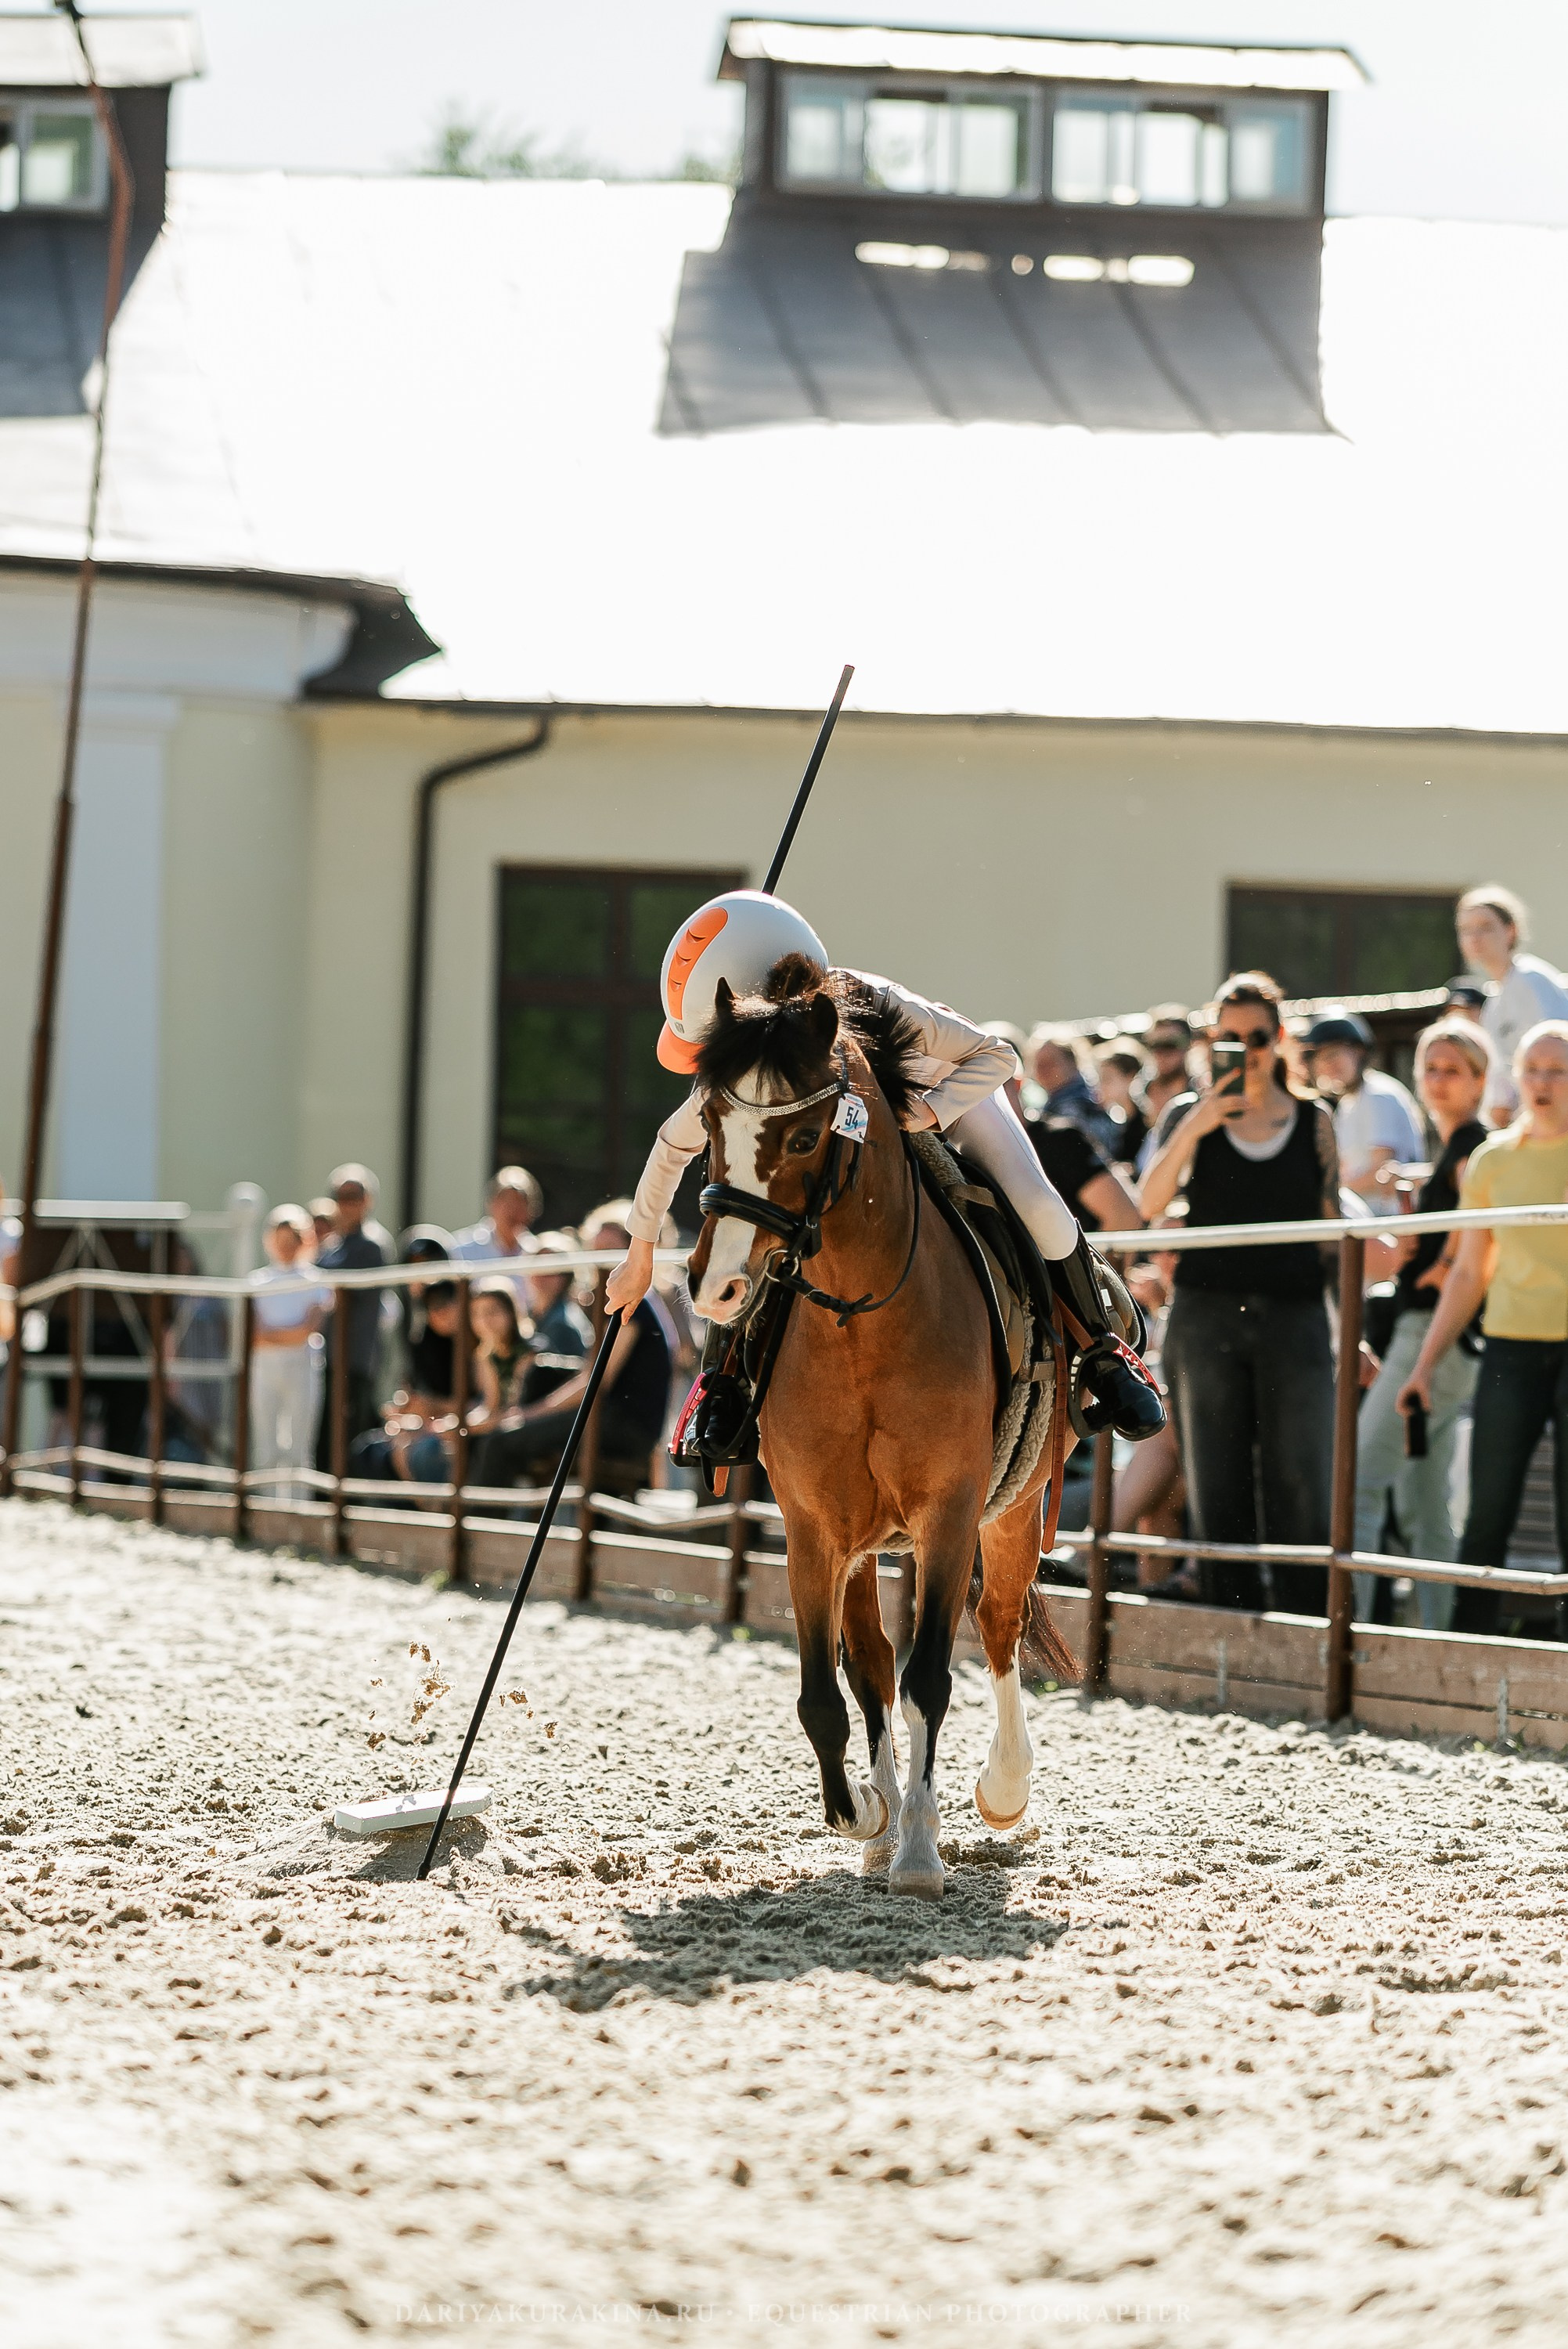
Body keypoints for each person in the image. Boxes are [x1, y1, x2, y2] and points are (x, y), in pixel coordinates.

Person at [604, 890, 1164, 1442]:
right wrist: (640, 1255)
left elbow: (996, 1056)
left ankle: (1101, 1352)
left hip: (946, 1095)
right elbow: (671, 1144)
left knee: (1037, 1204)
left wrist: (924, 1114)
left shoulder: (881, 1005)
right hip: (846, 1132)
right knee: (759, 1216)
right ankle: (723, 1382)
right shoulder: (754, 1057)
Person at [1140, 972, 1341, 1611]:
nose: (1246, 1050)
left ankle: (1307, 1625)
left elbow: (1333, 1236)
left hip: (1296, 1316)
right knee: (1215, 1479)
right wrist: (1198, 1124)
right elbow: (1146, 1203)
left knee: (1300, 1479)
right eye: (1229, 1038)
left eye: (1257, 1037)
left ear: (1278, 1039)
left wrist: (1349, 1332)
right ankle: (1228, 1624)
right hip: (1206, 1315)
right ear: (1209, 1040)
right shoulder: (1186, 1114)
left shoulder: (1314, 1119)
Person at [1398, 1021, 1568, 1636]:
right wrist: (1423, 1367)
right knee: (1488, 1509)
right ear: (1515, 1078)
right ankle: (1466, 1649)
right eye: (1533, 1069)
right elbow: (1469, 1271)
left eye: (1557, 1069)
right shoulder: (1493, 1160)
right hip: (1511, 1349)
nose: (1543, 1083)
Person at [1351, 1020, 1492, 1631]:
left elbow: (1474, 1253)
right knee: (1424, 1504)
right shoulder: (1454, 1151)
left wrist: (1429, 1265)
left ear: (1479, 1080)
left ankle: (1342, 1637)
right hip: (1443, 1340)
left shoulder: (1471, 1150)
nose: (1436, 1080)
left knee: (1360, 1481)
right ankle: (1439, 1638)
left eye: (1451, 1070)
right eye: (1429, 1069)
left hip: (1431, 1339)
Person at [474, 1206, 672, 1490]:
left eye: (609, 1253)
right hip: (608, 1414)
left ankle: (480, 1530)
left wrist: (532, 1413)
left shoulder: (634, 1306)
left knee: (502, 1440)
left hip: (626, 1424)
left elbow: (597, 1381)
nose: (600, 1265)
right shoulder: (610, 1303)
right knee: (501, 1432)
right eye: (595, 1253)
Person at [1456, 886, 1568, 1122]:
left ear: (1511, 931)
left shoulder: (1531, 981)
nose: (1474, 938)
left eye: (1485, 927)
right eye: (1465, 930)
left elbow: (1555, 1052)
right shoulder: (1495, 999)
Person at [1303, 1009, 1423, 1213]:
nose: (1328, 1065)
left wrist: (1326, 1191)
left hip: (1390, 1222)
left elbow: (1380, 1171)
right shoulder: (1349, 1104)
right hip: (1367, 1221)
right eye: (1321, 1058)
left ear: (1359, 1052)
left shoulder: (1378, 1095)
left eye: (1334, 1054)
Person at [312, 1164, 388, 1468]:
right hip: (327, 1358)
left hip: (354, 1360)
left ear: (368, 1199)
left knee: (347, 1439)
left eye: (354, 1195)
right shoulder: (332, 1246)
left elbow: (334, 1287)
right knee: (325, 1437)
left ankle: (345, 1503)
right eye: (341, 1196)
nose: (347, 1203)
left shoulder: (372, 1244)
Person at [251, 1207, 330, 1496]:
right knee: (267, 1444)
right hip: (266, 1369)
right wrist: (291, 1334)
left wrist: (275, 1335)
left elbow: (310, 1328)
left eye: (291, 1240)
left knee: (300, 1444)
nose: (285, 1248)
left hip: (302, 1366)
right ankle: (267, 1511)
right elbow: (254, 1336)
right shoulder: (257, 1282)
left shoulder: (316, 1280)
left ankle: (299, 1511)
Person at [1027, 1025, 1123, 1162]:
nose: (1044, 1070)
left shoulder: (1083, 1104)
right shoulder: (1054, 1102)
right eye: (1038, 1065)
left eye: (1051, 1063)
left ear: (1073, 1062)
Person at [451, 1167, 542, 1307]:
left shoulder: (537, 1253)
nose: (513, 1210)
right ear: (492, 1204)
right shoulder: (460, 1249)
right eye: (506, 1201)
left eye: (520, 1202)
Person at [524, 1234, 593, 1359]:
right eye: (537, 1266)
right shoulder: (531, 1314)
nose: (542, 1275)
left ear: (565, 1277)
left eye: (550, 1269)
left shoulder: (564, 1324)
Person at [1135, 1007, 1195, 1128]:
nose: (1161, 1053)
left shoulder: (1201, 1096)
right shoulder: (1137, 1099)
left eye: (1170, 1044)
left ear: (1188, 1044)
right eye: (1155, 1045)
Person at [1093, 1040, 1150, 1166]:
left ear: (1130, 1077)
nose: (1101, 1086)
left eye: (1108, 1079)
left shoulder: (1147, 1121)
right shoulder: (1116, 1120)